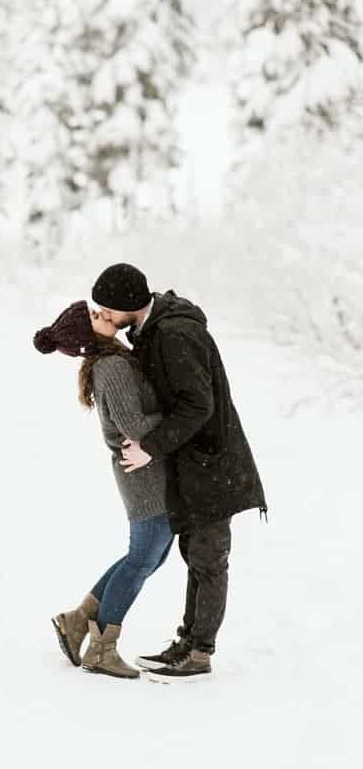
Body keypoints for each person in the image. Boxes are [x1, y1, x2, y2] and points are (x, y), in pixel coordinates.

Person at [90, 263, 267, 681]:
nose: (103, 317)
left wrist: (150, 447)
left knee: (208, 559)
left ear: (125, 306)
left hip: (212, 461)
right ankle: (187, 642)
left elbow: (197, 405)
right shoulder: (153, 331)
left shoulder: (173, 334)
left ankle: (199, 651)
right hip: (192, 461)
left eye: (105, 310)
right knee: (196, 556)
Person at [33, 300, 173, 680]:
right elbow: (135, 426)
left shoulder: (113, 360)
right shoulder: (111, 366)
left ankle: (77, 621)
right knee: (142, 559)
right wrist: (179, 417)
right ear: (86, 336)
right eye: (95, 317)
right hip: (143, 476)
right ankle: (101, 649)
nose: (103, 314)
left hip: (146, 472)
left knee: (148, 558)